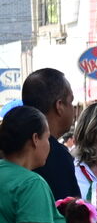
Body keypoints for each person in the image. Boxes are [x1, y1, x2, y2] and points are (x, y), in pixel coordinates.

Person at [21, 68, 78, 201]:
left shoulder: (12, 150)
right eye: (70, 101)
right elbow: (69, 215)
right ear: (59, 106)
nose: (73, 108)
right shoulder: (57, 156)